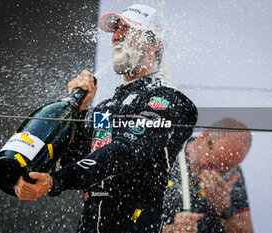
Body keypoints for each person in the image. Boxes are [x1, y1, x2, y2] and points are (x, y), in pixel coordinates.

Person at [15, 4, 197, 233]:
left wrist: (56, 181)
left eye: (128, 29)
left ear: (154, 43)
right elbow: (78, 158)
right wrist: (77, 111)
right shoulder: (104, 108)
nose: (117, 36)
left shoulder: (169, 101)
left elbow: (125, 151)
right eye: (116, 30)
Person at [161, 118, 254, 233]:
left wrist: (224, 209)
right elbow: (135, 221)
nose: (215, 173)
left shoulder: (233, 175)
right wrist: (170, 230)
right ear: (203, 137)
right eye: (212, 164)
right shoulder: (166, 159)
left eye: (224, 170)